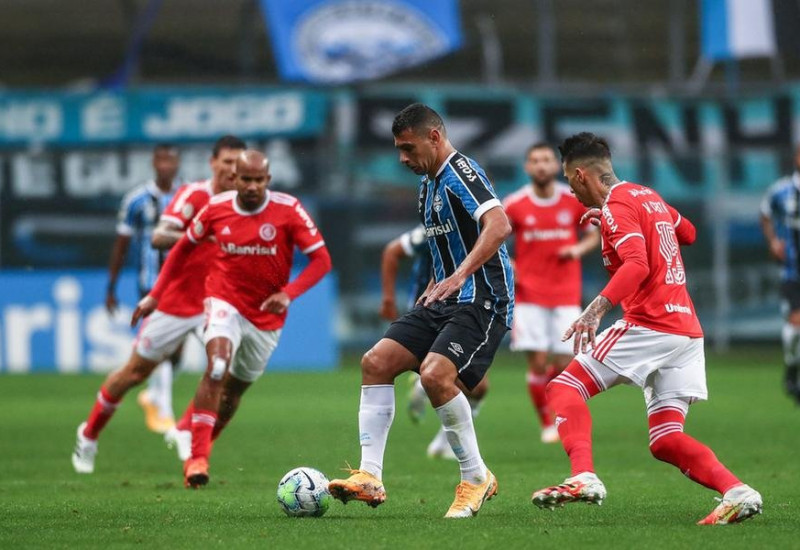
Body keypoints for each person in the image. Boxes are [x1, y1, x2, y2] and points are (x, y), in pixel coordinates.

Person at [530, 132, 762, 526]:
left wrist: (597, 308)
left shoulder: (618, 206)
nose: (570, 192)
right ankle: (739, 492)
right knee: (666, 440)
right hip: (686, 332)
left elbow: (637, 264)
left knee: (563, 387)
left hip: (650, 324)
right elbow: (687, 232)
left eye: (570, 182)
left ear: (582, 175)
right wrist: (615, 220)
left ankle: (584, 476)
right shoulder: (645, 196)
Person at [329, 103, 514, 518]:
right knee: (375, 362)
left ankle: (475, 477)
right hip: (445, 300)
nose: (402, 158)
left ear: (434, 137)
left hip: (483, 298)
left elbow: (499, 224)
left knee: (435, 375)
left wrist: (461, 274)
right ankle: (369, 475)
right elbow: (442, 248)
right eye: (398, 149)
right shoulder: (428, 185)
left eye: (408, 148)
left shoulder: (461, 171)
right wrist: (436, 284)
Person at [132, 150, 332, 489]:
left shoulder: (288, 210)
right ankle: (197, 459)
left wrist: (289, 293)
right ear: (235, 179)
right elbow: (181, 249)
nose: (252, 186)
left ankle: (203, 443)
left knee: (234, 391)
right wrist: (155, 294)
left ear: (267, 180)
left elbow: (321, 261)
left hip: (267, 316)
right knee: (217, 366)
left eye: (259, 180)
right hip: (224, 300)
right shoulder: (216, 207)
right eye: (246, 180)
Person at [71, 136, 246, 474]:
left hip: (216, 302)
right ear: (213, 163)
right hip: (175, 301)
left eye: (237, 163)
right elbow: (159, 237)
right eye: (226, 162)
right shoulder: (194, 195)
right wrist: (202, 235)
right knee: (133, 373)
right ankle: (89, 433)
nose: (231, 169)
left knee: (222, 369)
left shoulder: (246, 204)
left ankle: (185, 432)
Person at [503, 143, 600, 443]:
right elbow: (493, 239)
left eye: (546, 160)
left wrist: (577, 249)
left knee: (562, 362)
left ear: (556, 167)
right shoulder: (515, 204)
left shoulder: (571, 201)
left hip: (566, 293)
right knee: (538, 362)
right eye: (535, 161)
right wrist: (511, 264)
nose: (541, 166)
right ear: (527, 167)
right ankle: (547, 423)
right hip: (529, 295)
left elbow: (595, 233)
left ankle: (558, 413)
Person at [380, 225, 489, 460]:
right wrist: (389, 298)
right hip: (429, 311)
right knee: (458, 381)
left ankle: (441, 442)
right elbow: (392, 251)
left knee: (477, 388)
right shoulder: (434, 229)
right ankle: (423, 382)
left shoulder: (485, 228)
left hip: (467, 310)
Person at [106, 143, 181, 434]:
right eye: (161, 159)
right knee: (162, 345)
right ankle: (161, 406)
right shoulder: (136, 200)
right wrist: (111, 286)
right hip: (151, 284)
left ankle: (153, 395)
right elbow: (121, 244)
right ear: (154, 163)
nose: (165, 165)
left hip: (184, 283)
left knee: (177, 352)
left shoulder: (186, 196)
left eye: (170, 159)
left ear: (177, 163)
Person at [760, 146, 800, 405]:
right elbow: (765, 213)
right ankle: (792, 372)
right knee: (795, 325)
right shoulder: (782, 190)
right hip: (792, 272)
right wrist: (774, 241)